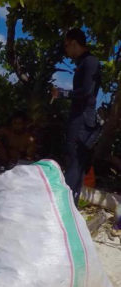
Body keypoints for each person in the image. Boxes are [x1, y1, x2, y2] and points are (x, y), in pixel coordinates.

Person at [51, 28, 102, 205]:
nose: (66, 50)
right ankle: (70, 205)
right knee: (76, 161)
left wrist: (63, 93)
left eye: (66, 45)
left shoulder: (90, 62)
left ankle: (64, 205)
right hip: (80, 117)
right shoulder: (85, 63)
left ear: (74, 43)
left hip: (82, 119)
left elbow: (87, 92)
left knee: (75, 162)